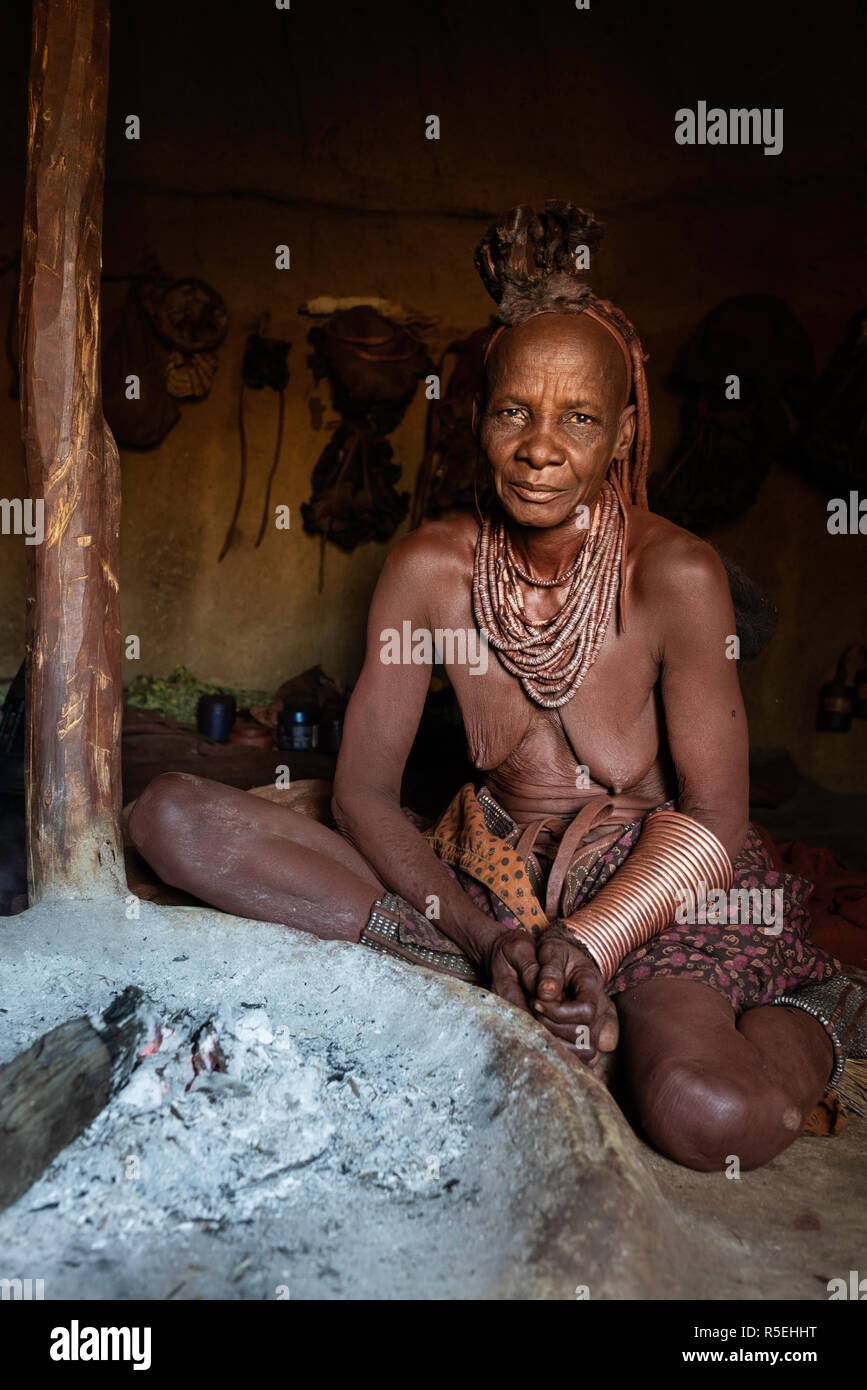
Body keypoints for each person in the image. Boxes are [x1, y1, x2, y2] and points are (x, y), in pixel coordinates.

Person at [129, 202, 866, 1172]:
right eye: (515, 410)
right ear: (478, 415)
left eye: (580, 418)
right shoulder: (428, 566)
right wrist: (486, 936)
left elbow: (717, 817)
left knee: (706, 1111)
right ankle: (507, 983)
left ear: (623, 432)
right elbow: (361, 792)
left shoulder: (677, 575)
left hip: (653, 893)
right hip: (481, 882)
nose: (541, 446)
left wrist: (587, 946)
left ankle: (812, 1003)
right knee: (171, 818)